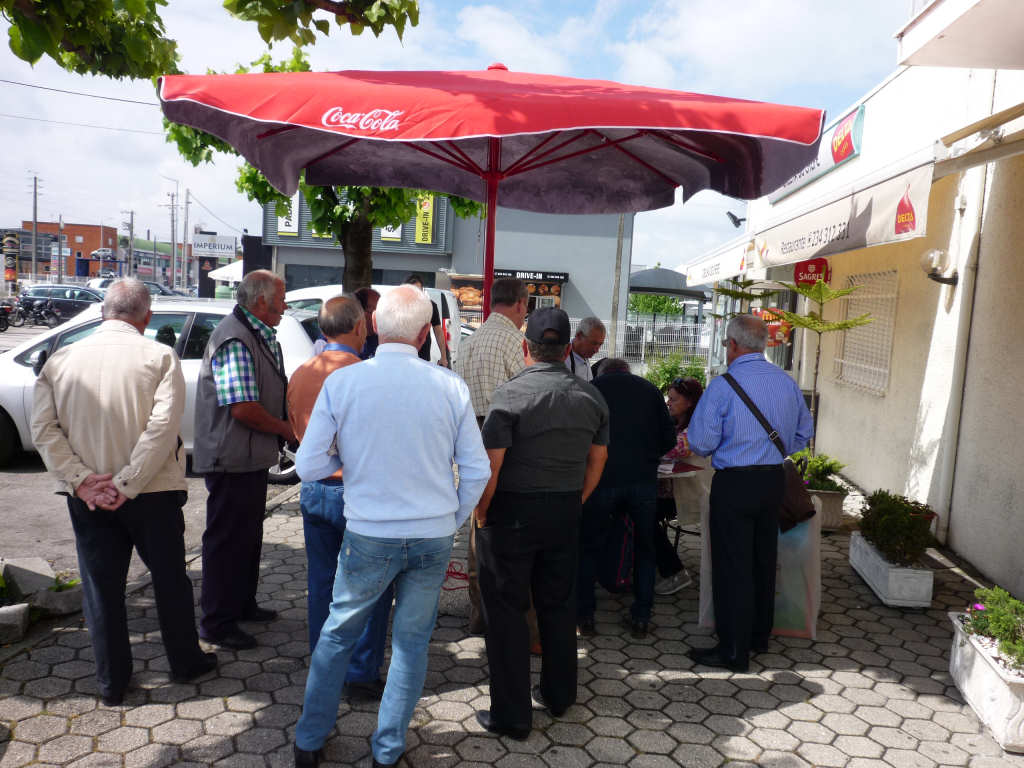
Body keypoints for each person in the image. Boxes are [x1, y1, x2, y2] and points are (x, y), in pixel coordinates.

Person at [292, 285, 490, 768]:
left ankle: (310, 740)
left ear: (375, 325)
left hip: (370, 532)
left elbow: (308, 465)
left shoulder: (344, 383)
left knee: (338, 633)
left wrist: (351, 465)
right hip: (431, 535)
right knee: (410, 644)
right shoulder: (450, 386)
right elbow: (477, 470)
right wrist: (452, 518)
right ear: (425, 334)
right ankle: (387, 750)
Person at [31, 279, 216, 706]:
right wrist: (127, 482)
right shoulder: (160, 356)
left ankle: (112, 681)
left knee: (101, 587)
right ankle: (185, 662)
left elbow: (43, 429)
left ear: (102, 312)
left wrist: (81, 480)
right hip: (151, 491)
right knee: (169, 579)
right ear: (146, 316)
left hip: (89, 495)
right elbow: (162, 428)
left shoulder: (60, 360)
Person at [475, 307, 609, 740]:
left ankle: (512, 715)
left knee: (507, 611)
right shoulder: (591, 396)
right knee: (559, 604)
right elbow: (598, 460)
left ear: (525, 347)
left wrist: (481, 513)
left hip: (512, 512)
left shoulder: (510, 395)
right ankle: (558, 694)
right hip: (564, 509)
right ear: (568, 349)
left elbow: (491, 466)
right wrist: (577, 499)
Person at [686, 315, 813, 672]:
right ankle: (758, 636)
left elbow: (701, 442)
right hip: (773, 480)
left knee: (732, 566)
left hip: (735, 483)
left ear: (732, 344)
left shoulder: (723, 386)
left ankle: (733, 650)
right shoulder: (786, 382)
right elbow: (803, 434)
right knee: (762, 559)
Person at [287, 295, 394, 699]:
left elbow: (296, 430)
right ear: (360, 327)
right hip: (359, 491)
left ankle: (325, 664)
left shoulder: (302, 373)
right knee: (369, 586)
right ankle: (361, 673)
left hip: (315, 489)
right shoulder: (367, 376)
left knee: (322, 583)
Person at [192, 269, 297, 651]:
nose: (285, 306)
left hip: (248, 457)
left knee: (248, 537)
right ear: (261, 301)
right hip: (230, 457)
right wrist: (286, 429)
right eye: (281, 299)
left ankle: (241, 604)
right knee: (226, 541)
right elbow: (242, 408)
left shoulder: (256, 333)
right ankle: (217, 622)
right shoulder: (235, 338)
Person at [453, 277, 530, 637]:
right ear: (519, 304)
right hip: (507, 440)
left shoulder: (468, 342)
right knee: (511, 527)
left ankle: (479, 612)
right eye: (526, 307)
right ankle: (510, 614)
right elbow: (527, 396)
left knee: (478, 525)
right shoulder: (515, 341)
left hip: (471, 436)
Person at [577, 358, 675, 639]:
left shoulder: (590, 389)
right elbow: (669, 439)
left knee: (588, 547)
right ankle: (641, 616)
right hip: (642, 481)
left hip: (601, 480)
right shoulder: (650, 390)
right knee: (646, 548)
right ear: (627, 371)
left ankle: (585, 616)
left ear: (602, 372)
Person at [652, 377, 707, 596]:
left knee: (642, 514)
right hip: (671, 491)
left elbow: (673, 449)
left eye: (673, 399)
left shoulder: (697, 428)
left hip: (689, 493)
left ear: (690, 402)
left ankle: (675, 572)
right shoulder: (677, 423)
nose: (668, 403)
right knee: (636, 508)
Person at [404, 273, 448, 367]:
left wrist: (444, 357)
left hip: (423, 356)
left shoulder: (431, 306)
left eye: (418, 290)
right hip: (404, 355)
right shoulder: (400, 306)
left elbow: (438, 331)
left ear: (422, 290)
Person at [565, 316, 606, 382]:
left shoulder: (583, 355)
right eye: (593, 343)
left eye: (600, 344)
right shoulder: (563, 359)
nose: (596, 350)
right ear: (579, 336)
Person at [354, 286, 380, 359]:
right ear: (361, 313)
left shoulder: (383, 339)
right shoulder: (345, 341)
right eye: (378, 312)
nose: (382, 316)